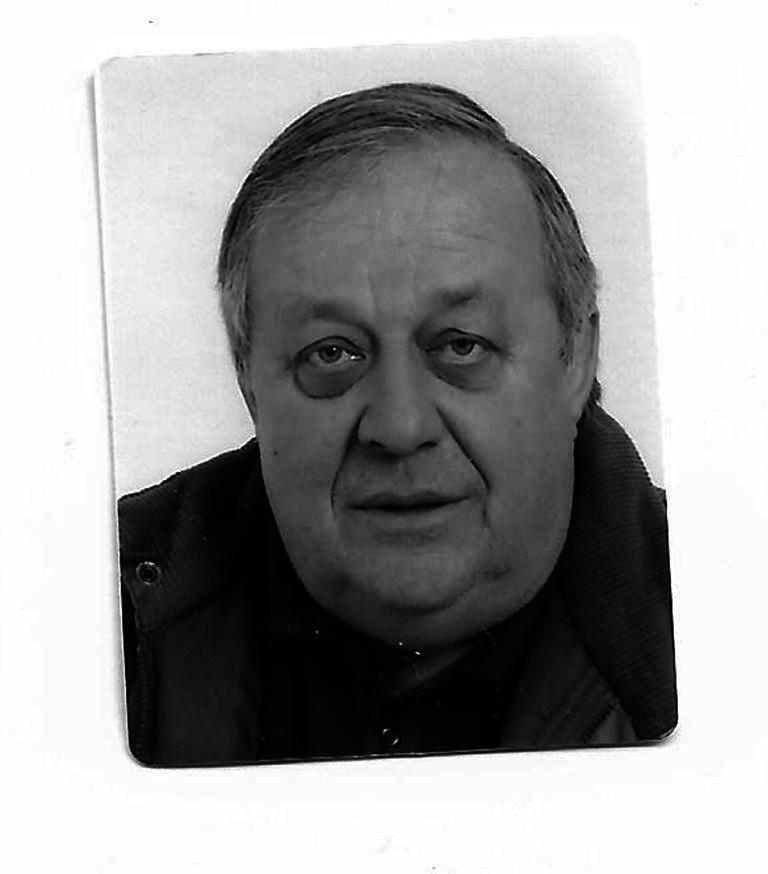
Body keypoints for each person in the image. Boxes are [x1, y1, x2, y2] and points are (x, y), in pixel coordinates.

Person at [118, 82, 676, 767]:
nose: (400, 425)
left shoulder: (734, 615)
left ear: (576, 357)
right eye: (332, 354)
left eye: (461, 346)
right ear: (248, 382)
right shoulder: (82, 614)